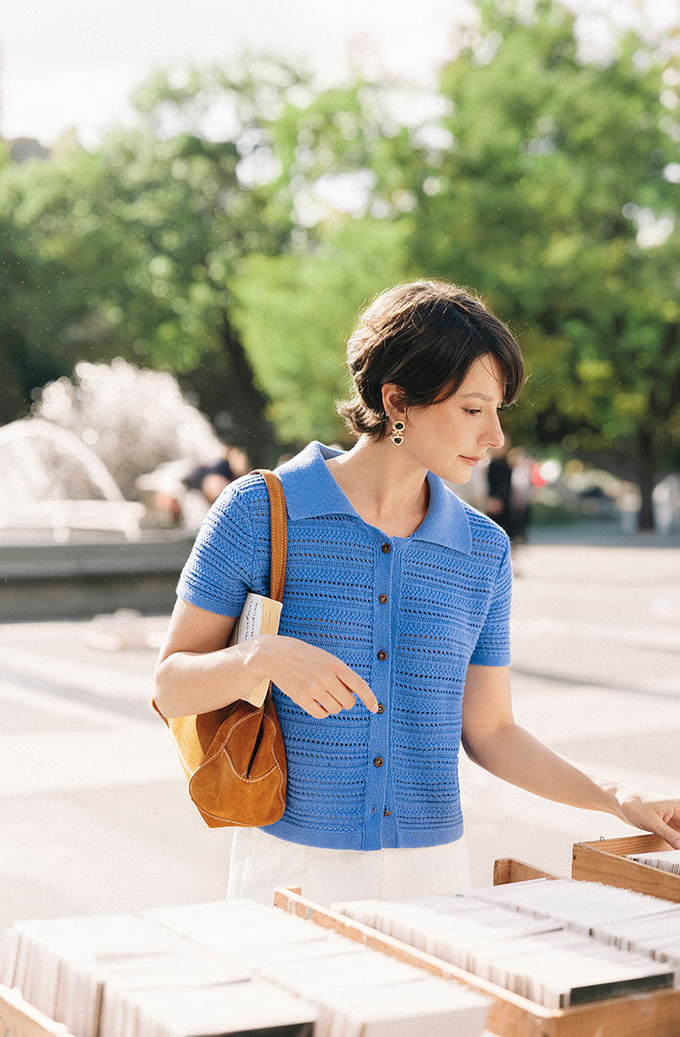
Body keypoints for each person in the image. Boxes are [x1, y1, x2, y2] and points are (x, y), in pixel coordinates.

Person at [154, 280, 680, 906]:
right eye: (471, 409)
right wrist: (260, 659)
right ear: (397, 400)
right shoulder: (259, 512)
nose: (495, 438)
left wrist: (614, 796)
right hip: (290, 869)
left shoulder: (481, 550)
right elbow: (170, 684)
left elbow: (491, 731)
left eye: (498, 412)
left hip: (432, 877)